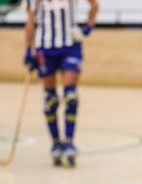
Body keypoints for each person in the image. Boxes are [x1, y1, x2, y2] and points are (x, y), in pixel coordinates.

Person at [23, 0, 98, 167]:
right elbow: (30, 20)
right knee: (50, 100)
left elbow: (94, 5)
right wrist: (28, 49)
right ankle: (56, 143)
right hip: (45, 47)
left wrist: (88, 28)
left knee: (71, 96)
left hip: (70, 45)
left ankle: (69, 142)